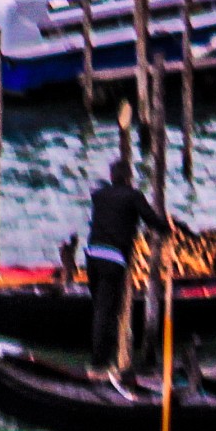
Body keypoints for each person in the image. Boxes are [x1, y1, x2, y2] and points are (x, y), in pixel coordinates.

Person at [85, 158, 172, 369]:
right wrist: (168, 229)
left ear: (112, 177)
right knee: (107, 310)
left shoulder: (98, 196)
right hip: (112, 259)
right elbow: (151, 219)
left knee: (100, 308)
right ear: (128, 178)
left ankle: (104, 354)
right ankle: (99, 361)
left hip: (92, 256)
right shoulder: (133, 196)